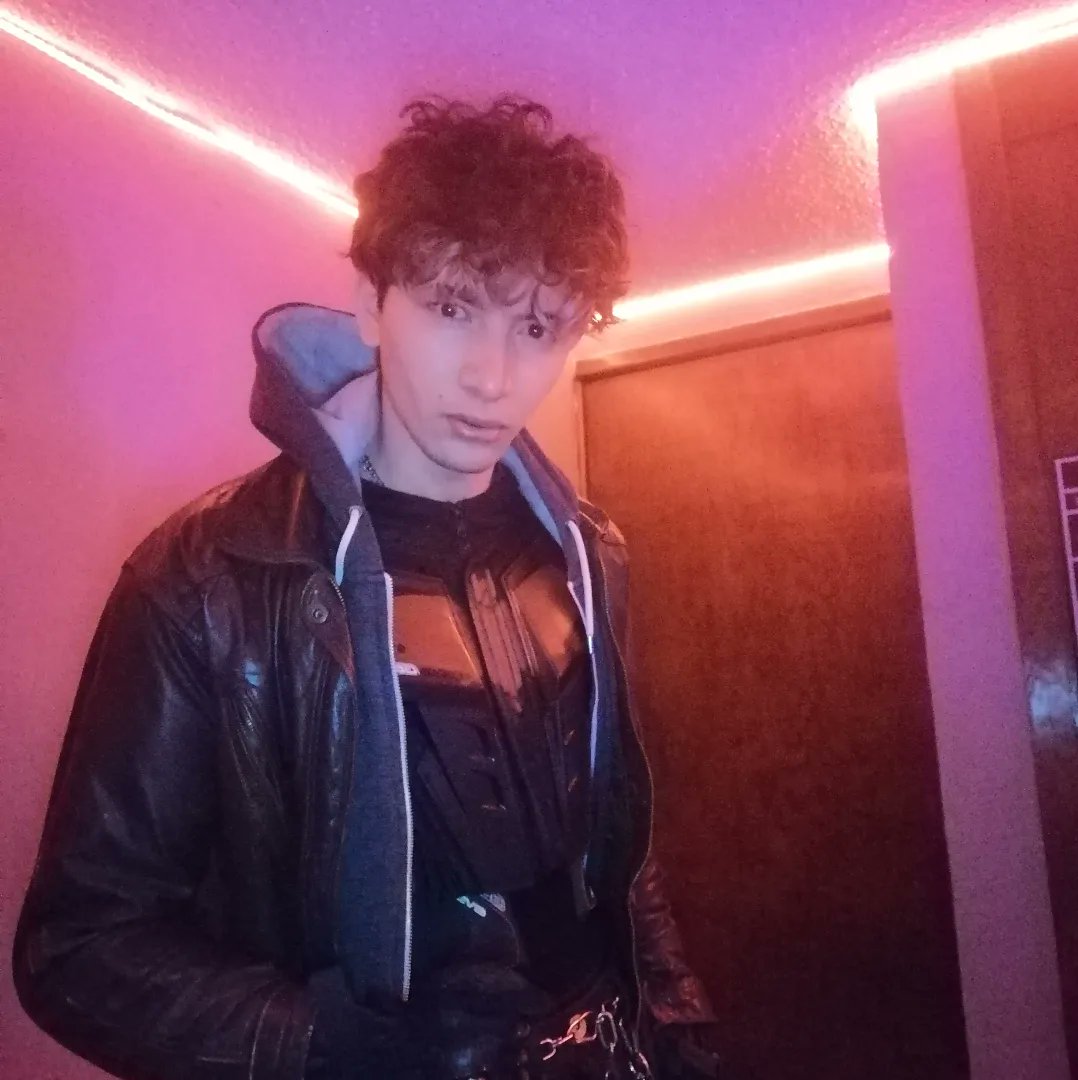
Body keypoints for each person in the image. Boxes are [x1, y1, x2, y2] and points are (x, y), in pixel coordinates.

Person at [13, 95, 728, 1079]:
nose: (492, 377)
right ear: (370, 303)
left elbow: (613, 846)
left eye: (537, 325)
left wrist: (677, 1023)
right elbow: (78, 947)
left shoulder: (591, 553)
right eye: (451, 308)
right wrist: (325, 1043)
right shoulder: (207, 576)